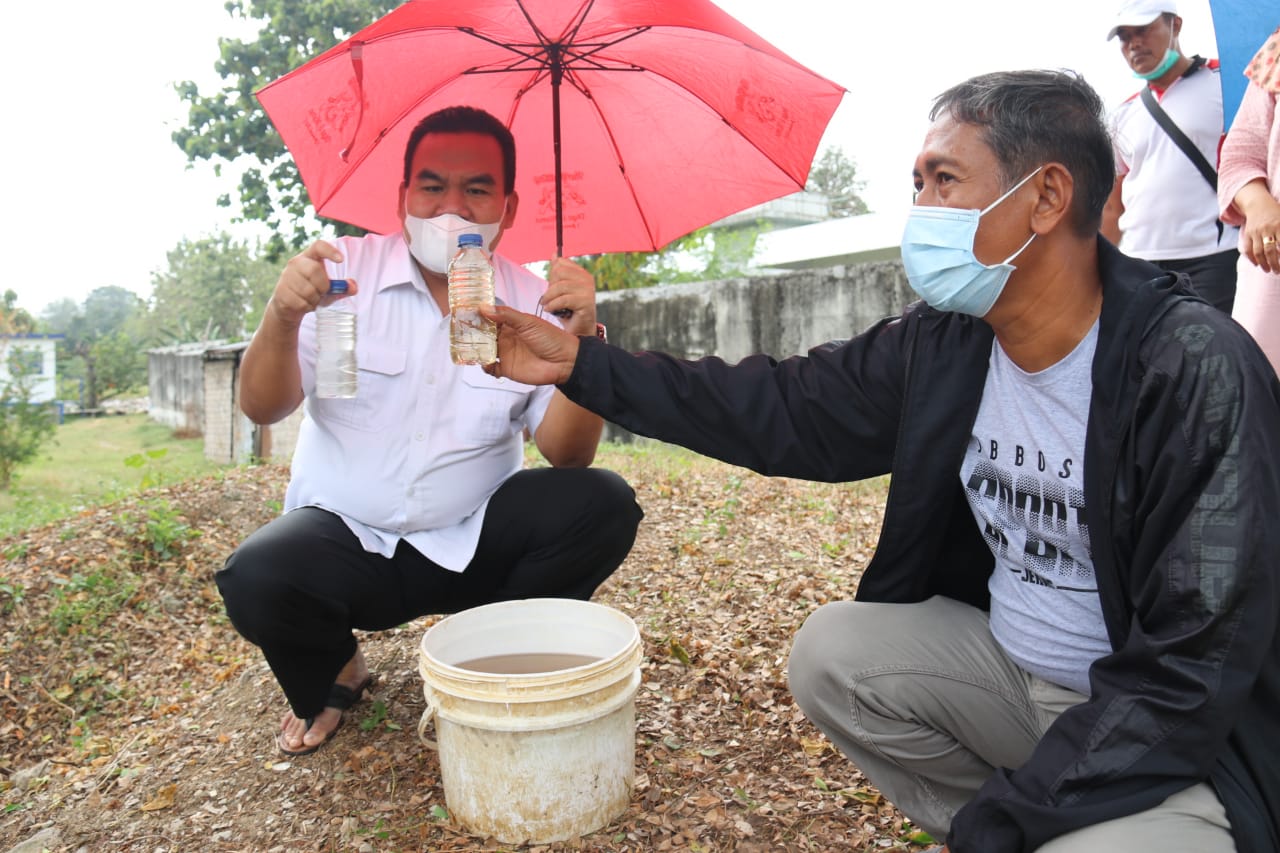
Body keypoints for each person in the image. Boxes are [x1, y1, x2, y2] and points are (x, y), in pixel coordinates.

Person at [481, 70, 1280, 852]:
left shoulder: (1191, 369)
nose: (920, 210)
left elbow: (1188, 674)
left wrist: (1007, 817)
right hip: (1012, 679)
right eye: (917, 182)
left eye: (943, 179)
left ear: (1045, 197)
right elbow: (782, 407)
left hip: (1168, 742)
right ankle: (1023, 815)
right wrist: (581, 366)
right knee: (835, 655)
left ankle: (1041, 818)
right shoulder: (949, 340)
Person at [216, 106, 644, 757]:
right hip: (348, 542)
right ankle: (338, 667)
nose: (451, 208)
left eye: (476, 189)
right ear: (402, 197)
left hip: (472, 540)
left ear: (508, 205)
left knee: (603, 504)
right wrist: (280, 314)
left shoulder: (532, 300)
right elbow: (261, 407)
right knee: (257, 575)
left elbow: (568, 452)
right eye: (432, 185)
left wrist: (582, 341)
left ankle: (492, 649)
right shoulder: (341, 277)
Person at [1101, 0, 1241, 312]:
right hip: (1139, 260)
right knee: (1144, 354)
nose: (1135, 44)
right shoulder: (1123, 114)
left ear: (1175, 25)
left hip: (1213, 254)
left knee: (1211, 354)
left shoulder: (1226, 81)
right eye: (1125, 36)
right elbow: (1113, 205)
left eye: (1144, 30)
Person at [1220, 26, 1280, 371]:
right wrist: (1259, 206)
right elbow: (1239, 156)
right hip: (1273, 270)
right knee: (1259, 403)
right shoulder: (1277, 50)